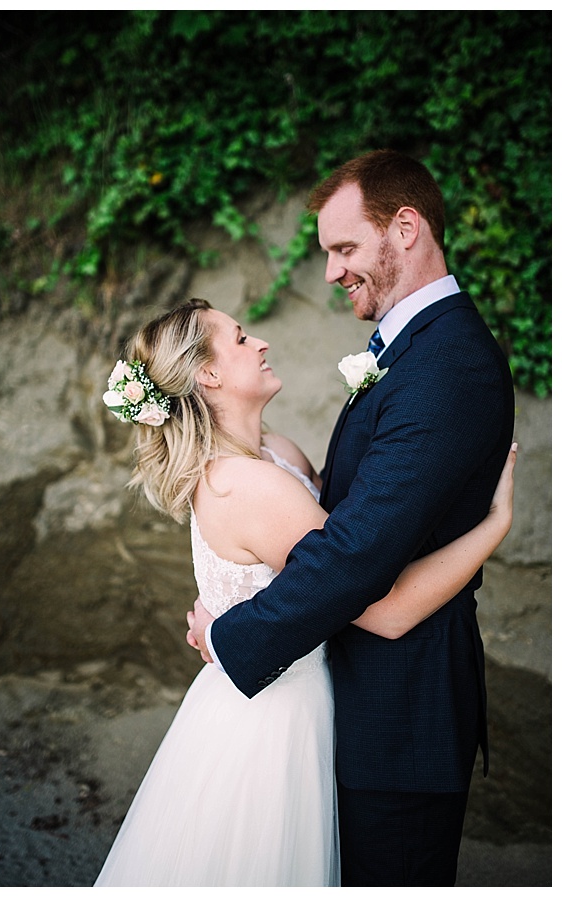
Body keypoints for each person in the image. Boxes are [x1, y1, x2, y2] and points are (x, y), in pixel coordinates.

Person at [93, 299, 516, 886]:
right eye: (240, 339)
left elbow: (361, 531)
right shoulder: (245, 486)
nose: (259, 342)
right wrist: (492, 526)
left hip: (287, 684)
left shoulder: (276, 453)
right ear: (208, 375)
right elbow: (385, 609)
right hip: (277, 719)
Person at [187, 150, 516, 885]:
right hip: (358, 704)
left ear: (405, 228)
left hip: (403, 715)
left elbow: (356, 550)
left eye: (344, 248)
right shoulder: (414, 351)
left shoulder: (447, 364)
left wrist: (234, 633)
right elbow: (341, 512)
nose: (332, 271)